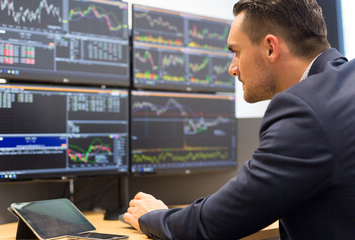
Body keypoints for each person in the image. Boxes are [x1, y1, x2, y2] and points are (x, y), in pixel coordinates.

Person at [124, 0, 355, 239]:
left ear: (270, 49)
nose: (232, 69)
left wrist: (155, 215)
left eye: (236, 52)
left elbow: (215, 222)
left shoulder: (305, 110)